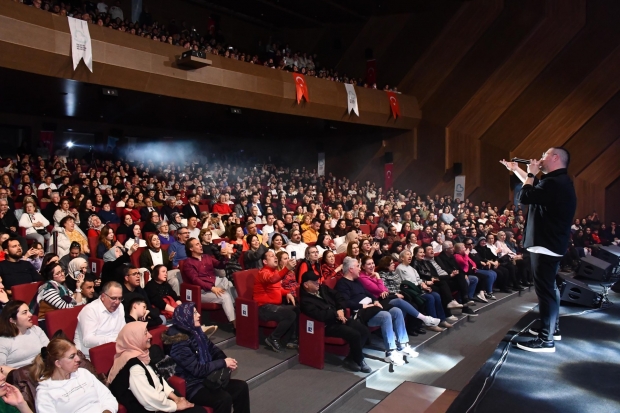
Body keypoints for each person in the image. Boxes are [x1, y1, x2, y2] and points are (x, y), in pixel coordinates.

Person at [501, 147, 576, 353]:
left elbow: (525, 196)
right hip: (550, 243)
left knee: (546, 292)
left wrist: (531, 173)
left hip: (546, 244)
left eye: (545, 155)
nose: (541, 158)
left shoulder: (554, 183)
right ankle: (552, 329)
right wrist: (517, 170)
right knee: (550, 288)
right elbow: (534, 189)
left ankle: (546, 340)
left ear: (555, 158)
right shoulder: (558, 181)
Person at [162, 303, 251, 413]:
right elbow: (197, 369)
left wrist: (226, 362)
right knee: (223, 399)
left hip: (207, 378)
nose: (199, 315)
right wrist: (223, 363)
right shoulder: (178, 342)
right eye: (195, 313)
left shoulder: (196, 332)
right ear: (186, 317)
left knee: (241, 387)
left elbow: (213, 349)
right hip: (192, 386)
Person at [335, 257, 418, 365]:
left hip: (372, 307)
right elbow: (345, 302)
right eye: (358, 266)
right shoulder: (342, 284)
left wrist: (375, 301)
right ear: (351, 269)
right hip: (360, 313)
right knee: (385, 315)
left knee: (396, 311)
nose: (359, 269)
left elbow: (368, 293)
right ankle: (390, 352)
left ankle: (402, 345)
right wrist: (363, 305)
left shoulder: (357, 281)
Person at [108, 322, 201, 413]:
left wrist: (176, 398)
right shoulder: (134, 366)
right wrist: (175, 406)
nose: (150, 336)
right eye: (145, 333)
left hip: (161, 402)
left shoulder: (141, 355)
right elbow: (149, 400)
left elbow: (158, 379)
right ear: (134, 338)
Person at [299, 271, 372, 373]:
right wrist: (336, 313)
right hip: (326, 326)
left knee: (364, 330)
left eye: (317, 280)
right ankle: (360, 360)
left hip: (339, 318)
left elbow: (339, 296)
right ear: (306, 285)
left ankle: (351, 358)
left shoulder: (323, 289)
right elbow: (321, 316)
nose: (318, 283)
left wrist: (340, 309)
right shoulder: (305, 301)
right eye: (314, 282)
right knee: (354, 334)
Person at [33, 338, 118, 413]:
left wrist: (107, 411)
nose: (78, 359)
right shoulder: (46, 393)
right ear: (58, 363)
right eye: (72, 357)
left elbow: (107, 397)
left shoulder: (83, 373)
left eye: (77, 354)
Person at [182, 238, 236, 328]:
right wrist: (212, 288)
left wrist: (225, 257)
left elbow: (220, 265)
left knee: (230, 284)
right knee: (225, 296)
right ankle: (235, 324)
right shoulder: (188, 263)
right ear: (191, 249)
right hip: (202, 290)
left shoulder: (207, 257)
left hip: (215, 282)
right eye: (197, 244)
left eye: (200, 243)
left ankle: (235, 313)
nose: (200, 245)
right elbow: (195, 280)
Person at [254, 250, 298, 352]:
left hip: (274, 306)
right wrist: (287, 268)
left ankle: (289, 340)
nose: (275, 257)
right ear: (265, 261)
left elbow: (277, 289)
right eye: (271, 256)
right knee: (290, 315)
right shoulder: (263, 273)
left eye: (275, 256)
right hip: (264, 308)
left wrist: (287, 293)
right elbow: (271, 280)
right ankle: (273, 338)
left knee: (297, 309)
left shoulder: (274, 272)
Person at [74, 281, 126, 359]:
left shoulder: (120, 306)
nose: (117, 302)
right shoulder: (90, 310)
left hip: (114, 352)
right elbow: (87, 340)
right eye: (113, 298)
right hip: (89, 356)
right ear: (103, 297)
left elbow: (123, 330)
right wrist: (113, 341)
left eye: (120, 298)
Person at [0, 300, 49, 368]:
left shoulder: (36, 330)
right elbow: (1, 368)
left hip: (43, 370)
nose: (30, 314)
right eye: (24, 312)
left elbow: (49, 351)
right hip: (19, 373)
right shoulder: (3, 341)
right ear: (12, 320)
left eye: (29, 311)